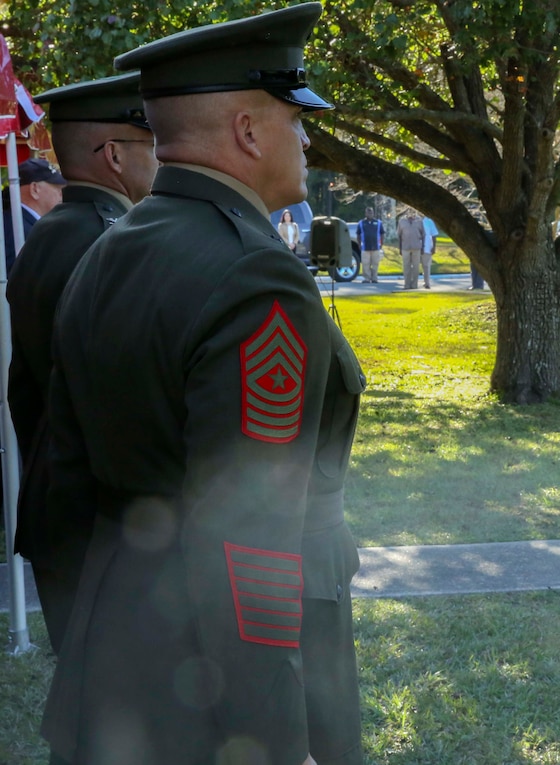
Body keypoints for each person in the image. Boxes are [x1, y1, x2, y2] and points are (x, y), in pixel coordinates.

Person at [41, 5, 364, 764]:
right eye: (296, 118)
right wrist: (278, 736)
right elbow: (248, 542)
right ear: (249, 132)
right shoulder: (259, 276)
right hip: (216, 692)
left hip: (117, 649)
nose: (308, 139)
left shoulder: (106, 248)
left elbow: (63, 487)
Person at [6, 72, 157, 655]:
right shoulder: (112, 243)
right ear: (115, 156)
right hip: (105, 520)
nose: (163, 159)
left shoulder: (49, 233)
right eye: (150, 146)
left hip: (59, 502)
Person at [2, 158, 67, 269]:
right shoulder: (15, 228)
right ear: (35, 189)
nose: (61, 194)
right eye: (57, 188)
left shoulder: (22, 223)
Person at [396, 208, 425, 289]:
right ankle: (407, 284)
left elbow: (423, 235)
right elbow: (399, 235)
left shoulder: (419, 220)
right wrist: (400, 248)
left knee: (416, 267)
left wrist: (422, 247)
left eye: (413, 211)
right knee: (406, 267)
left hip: (416, 247)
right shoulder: (401, 221)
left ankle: (414, 284)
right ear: (406, 212)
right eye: (409, 211)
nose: (411, 213)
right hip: (405, 247)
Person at [356, 206, 382, 283]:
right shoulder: (361, 223)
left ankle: (374, 278)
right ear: (365, 213)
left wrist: (381, 244)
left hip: (376, 247)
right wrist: (359, 244)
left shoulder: (378, 223)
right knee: (365, 264)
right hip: (365, 247)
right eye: (368, 212)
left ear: (373, 213)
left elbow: (382, 234)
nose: (370, 214)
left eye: (371, 212)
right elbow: (358, 234)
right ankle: (367, 278)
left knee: (375, 264)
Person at [421, 215, 438, 289]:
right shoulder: (415, 220)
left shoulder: (429, 221)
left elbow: (434, 235)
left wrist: (433, 247)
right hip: (416, 247)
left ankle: (427, 283)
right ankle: (412, 283)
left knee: (426, 266)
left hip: (427, 247)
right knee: (414, 266)